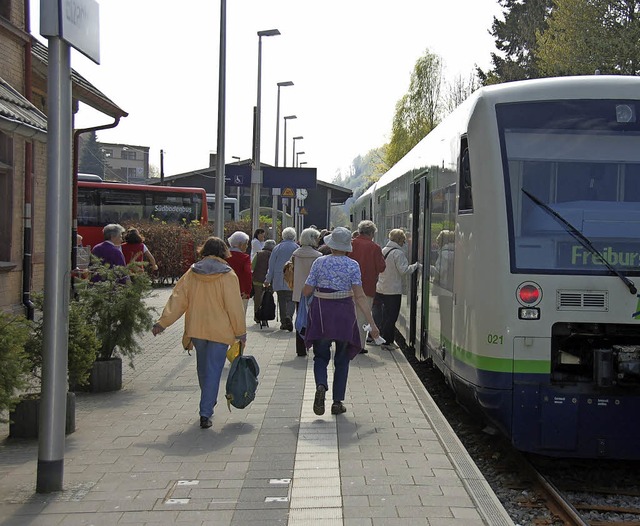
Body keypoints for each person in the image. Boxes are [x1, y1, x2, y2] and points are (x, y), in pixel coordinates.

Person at [151, 237, 247, 429]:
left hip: (197, 328)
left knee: (203, 369)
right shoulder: (228, 275)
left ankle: (207, 402)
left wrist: (163, 322)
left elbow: (177, 299)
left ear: (203, 251)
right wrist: (240, 332)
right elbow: (235, 307)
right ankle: (206, 410)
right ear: (224, 252)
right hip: (220, 331)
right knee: (213, 370)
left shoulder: (192, 273)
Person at [302, 227, 381, 416]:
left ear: (330, 244)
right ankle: (337, 402)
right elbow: (360, 296)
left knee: (320, 357)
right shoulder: (352, 265)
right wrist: (373, 325)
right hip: (345, 314)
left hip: (322, 313)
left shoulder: (319, 262)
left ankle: (321, 385)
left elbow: (306, 290)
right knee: (342, 359)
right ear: (347, 247)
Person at [374, 229, 420, 351]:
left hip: (381, 288)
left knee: (384, 316)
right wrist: (416, 266)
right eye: (403, 240)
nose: (404, 243)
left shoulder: (384, 250)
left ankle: (382, 338)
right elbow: (404, 270)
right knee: (391, 317)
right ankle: (388, 342)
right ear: (400, 240)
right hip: (393, 290)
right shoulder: (398, 254)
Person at [348, 220, 386, 354]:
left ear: (359, 231)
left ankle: (346, 342)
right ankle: (359, 345)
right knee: (362, 317)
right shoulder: (374, 247)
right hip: (367, 288)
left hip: (348, 287)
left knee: (349, 315)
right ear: (372, 233)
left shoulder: (350, 244)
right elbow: (381, 267)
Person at [290, 227, 322, 356]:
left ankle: (301, 348)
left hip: (298, 291)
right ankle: (315, 344)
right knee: (315, 319)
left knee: (300, 318)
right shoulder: (318, 256)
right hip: (314, 292)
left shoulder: (295, 254)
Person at [264, 227, 298, 331]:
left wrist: (268, 279)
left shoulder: (277, 248)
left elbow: (271, 265)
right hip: (292, 277)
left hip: (279, 278)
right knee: (292, 299)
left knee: (282, 299)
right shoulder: (297, 247)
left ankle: (284, 322)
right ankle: (289, 316)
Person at [251, 239, 276, 323]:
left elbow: (252, 267)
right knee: (267, 298)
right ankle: (265, 317)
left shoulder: (258, 254)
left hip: (257, 280)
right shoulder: (274, 255)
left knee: (257, 299)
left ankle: (257, 316)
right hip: (269, 281)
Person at [227, 231, 252, 312]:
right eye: (246, 243)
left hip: (225, 290)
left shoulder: (224, 256)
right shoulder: (244, 258)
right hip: (241, 291)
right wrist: (247, 291)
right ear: (240, 244)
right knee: (239, 317)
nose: (247, 246)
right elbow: (247, 274)